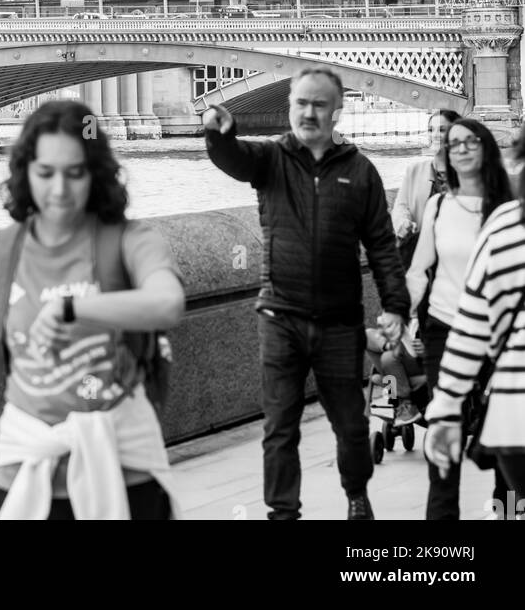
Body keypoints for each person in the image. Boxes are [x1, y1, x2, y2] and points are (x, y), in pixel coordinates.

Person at [0, 99, 185, 520]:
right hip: (24, 460)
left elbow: (167, 304)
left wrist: (72, 308)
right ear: (24, 173)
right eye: (45, 173)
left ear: (95, 173)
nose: (59, 190)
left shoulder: (130, 240)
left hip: (122, 458)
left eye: (75, 173)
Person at [203, 67, 409, 522]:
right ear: (289, 106)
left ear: (337, 111)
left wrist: (395, 306)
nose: (308, 112)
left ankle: (357, 497)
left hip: (340, 322)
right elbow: (235, 160)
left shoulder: (360, 171)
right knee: (279, 426)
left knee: (351, 426)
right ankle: (283, 514)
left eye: (319, 104)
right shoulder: (271, 159)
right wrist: (220, 136)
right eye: (300, 103)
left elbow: (381, 244)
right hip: (280, 316)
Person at [407, 117, 514, 519]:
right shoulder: (438, 206)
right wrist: (400, 311)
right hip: (446, 331)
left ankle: (510, 514)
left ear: (487, 148)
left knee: (508, 443)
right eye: (454, 144)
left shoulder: (510, 209)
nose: (463, 148)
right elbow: (419, 271)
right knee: (443, 438)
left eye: (472, 141)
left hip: (499, 337)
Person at [392, 109, 458, 261]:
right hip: (420, 255)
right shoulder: (414, 171)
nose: (434, 135)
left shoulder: (466, 174)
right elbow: (401, 207)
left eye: (442, 130)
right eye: (430, 130)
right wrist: (403, 223)